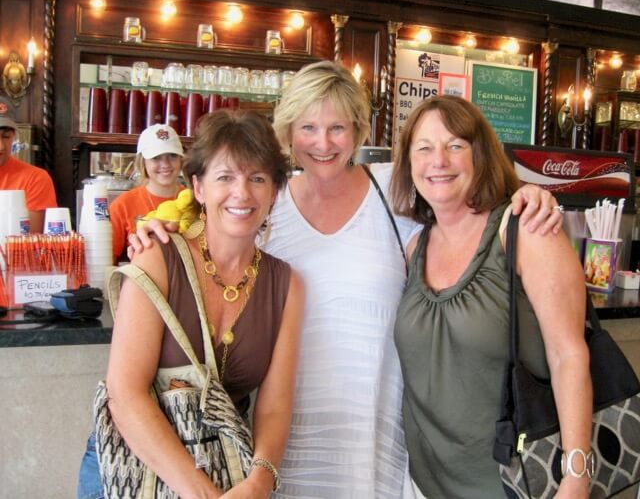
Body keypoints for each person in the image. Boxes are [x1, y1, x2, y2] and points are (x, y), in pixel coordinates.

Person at [131, 61, 564, 498]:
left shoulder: (395, 189)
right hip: (279, 438)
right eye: (308, 127)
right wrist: (155, 224)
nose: (323, 143)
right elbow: (199, 209)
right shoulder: (264, 198)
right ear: (288, 130)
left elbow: (466, 202)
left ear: (359, 131)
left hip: (376, 432)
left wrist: (525, 194)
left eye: (338, 127)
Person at [77, 109, 304, 499]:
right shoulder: (158, 258)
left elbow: (274, 406)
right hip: (135, 467)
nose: (242, 193)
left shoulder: (286, 285)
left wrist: (260, 481)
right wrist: (199, 492)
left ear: (275, 191)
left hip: (223, 467)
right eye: (225, 177)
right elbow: (125, 393)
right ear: (198, 187)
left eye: (258, 178)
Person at [390, 95, 591, 498]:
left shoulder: (525, 230)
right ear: (409, 163)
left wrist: (576, 475)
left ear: (480, 154)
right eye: (424, 148)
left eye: (455, 146)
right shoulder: (415, 249)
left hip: (513, 482)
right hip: (423, 483)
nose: (438, 161)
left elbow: (569, 354)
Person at [109, 123, 185, 263]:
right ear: (142, 162)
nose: (165, 164)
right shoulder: (122, 206)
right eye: (156, 157)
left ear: (181, 160)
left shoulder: (196, 201)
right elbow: (107, 262)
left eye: (172, 156)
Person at [0, 111, 57, 233]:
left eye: (6, 137)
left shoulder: (35, 178)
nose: (1, 147)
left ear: (13, 137)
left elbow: (28, 240)